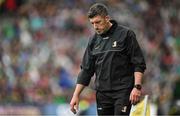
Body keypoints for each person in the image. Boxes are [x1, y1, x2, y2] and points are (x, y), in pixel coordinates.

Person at [70, 3, 146, 115]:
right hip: (102, 95)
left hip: (123, 92)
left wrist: (137, 87)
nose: (95, 26)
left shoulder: (126, 34)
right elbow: (86, 70)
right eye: (92, 23)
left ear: (107, 18)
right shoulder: (93, 41)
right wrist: (75, 95)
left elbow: (138, 63)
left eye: (98, 22)